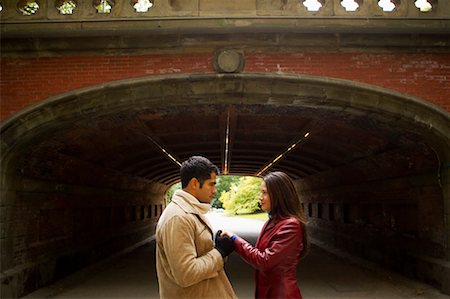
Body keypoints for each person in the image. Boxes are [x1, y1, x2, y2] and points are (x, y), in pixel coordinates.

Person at [155, 156, 237, 299]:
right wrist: (219, 252)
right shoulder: (178, 218)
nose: (214, 190)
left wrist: (215, 247)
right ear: (194, 183)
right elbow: (186, 274)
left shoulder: (189, 212)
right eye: (211, 184)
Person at [221, 171, 308, 299]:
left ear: (279, 195)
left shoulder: (291, 225)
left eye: (265, 193)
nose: (260, 197)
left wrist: (235, 239)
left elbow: (264, 260)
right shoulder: (273, 221)